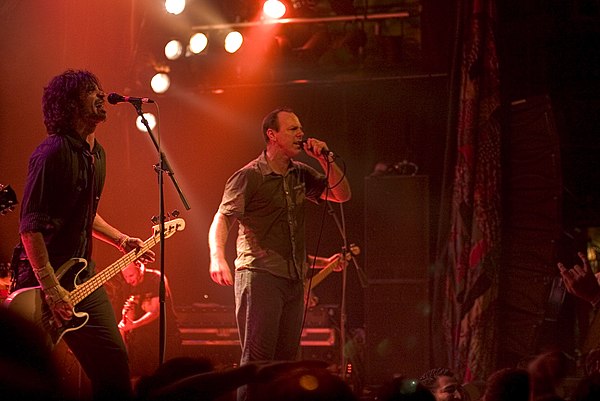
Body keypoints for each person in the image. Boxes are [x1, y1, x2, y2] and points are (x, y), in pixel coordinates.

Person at [10, 69, 155, 400]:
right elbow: (29, 226)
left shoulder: (97, 153)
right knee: (29, 376)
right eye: (92, 91)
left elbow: (84, 213)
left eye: (101, 89)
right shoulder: (51, 154)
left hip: (82, 277)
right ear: (71, 104)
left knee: (114, 365)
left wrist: (120, 239)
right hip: (41, 281)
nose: (102, 95)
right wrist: (51, 287)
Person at [208, 107, 351, 400]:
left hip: (293, 278)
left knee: (287, 364)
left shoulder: (300, 174)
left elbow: (341, 194)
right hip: (259, 274)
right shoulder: (249, 176)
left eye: (301, 128)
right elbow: (222, 217)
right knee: (257, 360)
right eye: (293, 129)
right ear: (272, 135)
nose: (301, 134)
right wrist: (216, 256)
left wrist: (327, 160)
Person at [118, 261, 182, 380]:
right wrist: (126, 318)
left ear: (140, 267)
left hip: (165, 336)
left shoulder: (156, 279)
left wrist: (133, 325)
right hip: (142, 340)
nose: (128, 280)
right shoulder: (127, 285)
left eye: (131, 275)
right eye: (125, 277)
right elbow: (130, 313)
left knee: (168, 379)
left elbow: (155, 312)